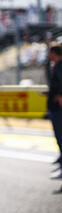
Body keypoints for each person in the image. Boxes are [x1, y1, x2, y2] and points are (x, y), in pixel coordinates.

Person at [48, 43, 62, 179]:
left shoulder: (59, 65)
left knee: (61, 138)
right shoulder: (56, 66)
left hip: (58, 109)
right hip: (55, 107)